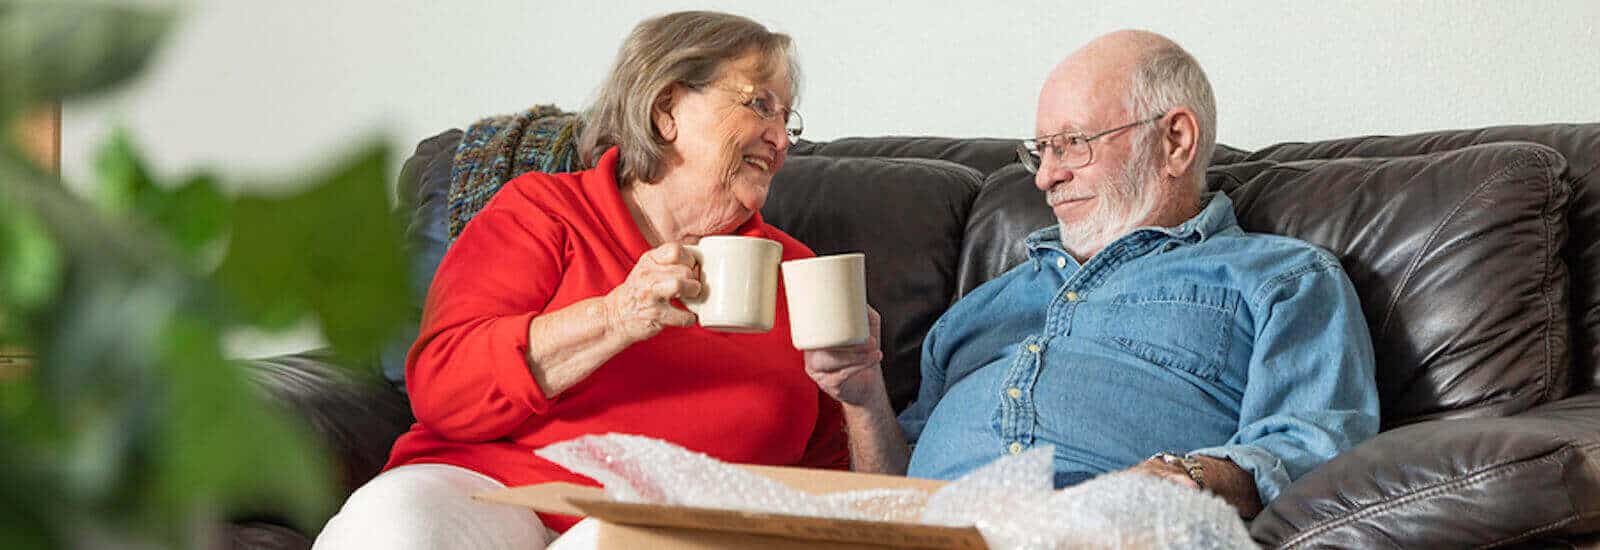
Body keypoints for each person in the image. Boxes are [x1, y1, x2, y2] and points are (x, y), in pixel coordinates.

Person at [313, 11, 885, 549]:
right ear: (666, 109)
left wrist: (863, 398)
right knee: (397, 525)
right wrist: (616, 315)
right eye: (761, 106)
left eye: (788, 119)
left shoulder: (799, 274)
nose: (782, 139)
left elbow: (853, 506)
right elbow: (444, 390)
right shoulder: (542, 213)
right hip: (487, 491)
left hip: (665, 526)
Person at [809, 30, 1380, 518]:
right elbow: (887, 493)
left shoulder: (1280, 279)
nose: (1044, 178)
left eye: (1071, 145)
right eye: (1040, 152)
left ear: (1175, 141)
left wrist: (1191, 478)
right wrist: (862, 397)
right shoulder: (980, 310)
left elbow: (1316, 442)